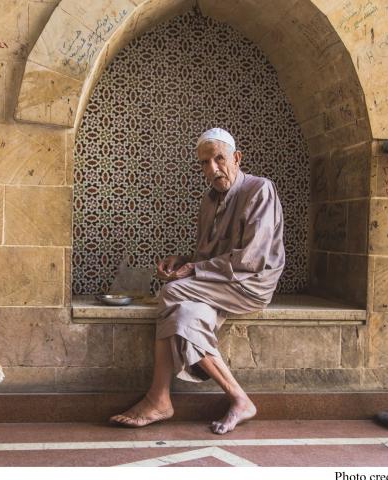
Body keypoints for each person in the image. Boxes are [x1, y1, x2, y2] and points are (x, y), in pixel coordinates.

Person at [110, 128, 285, 434]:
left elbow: (250, 259)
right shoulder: (209, 201)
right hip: (220, 284)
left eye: (220, 158)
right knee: (185, 315)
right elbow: (207, 254)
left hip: (251, 283)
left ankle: (158, 396)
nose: (213, 168)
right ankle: (239, 399)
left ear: (237, 158)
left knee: (172, 290)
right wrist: (183, 259)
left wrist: (191, 269)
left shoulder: (260, 190)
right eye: (205, 163)